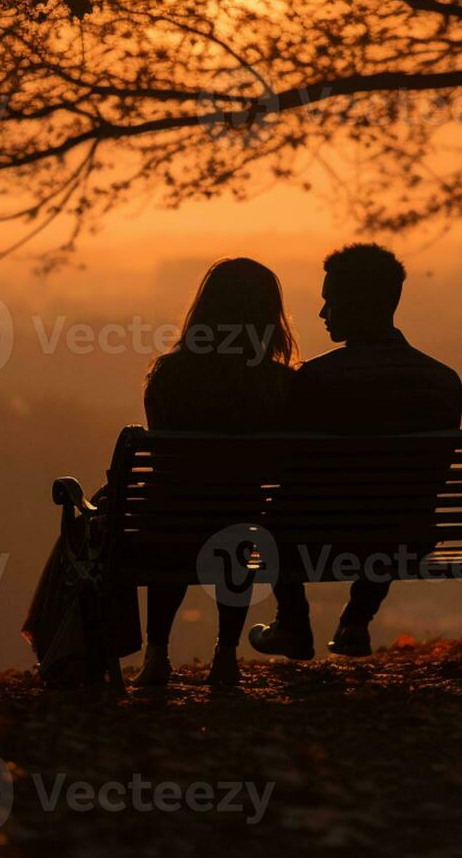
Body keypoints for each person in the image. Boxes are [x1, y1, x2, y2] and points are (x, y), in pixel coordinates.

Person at [250, 243, 462, 661]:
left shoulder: (315, 379)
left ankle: (292, 623)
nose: (322, 313)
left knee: (272, 515)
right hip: (405, 536)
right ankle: (355, 622)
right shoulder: (443, 381)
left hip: (316, 536)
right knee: (393, 506)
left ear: (360, 304)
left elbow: (283, 466)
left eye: (331, 301)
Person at [134, 257, 297, 687]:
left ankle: (155, 656)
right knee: (236, 529)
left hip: (169, 520)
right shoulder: (277, 383)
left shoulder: (169, 375)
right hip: (238, 518)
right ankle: (226, 656)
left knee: (174, 520)